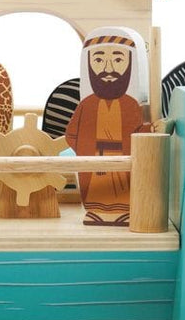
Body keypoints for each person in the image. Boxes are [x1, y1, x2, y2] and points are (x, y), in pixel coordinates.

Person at [65, 27, 152, 226]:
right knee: (97, 189)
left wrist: (149, 131)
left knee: (122, 188)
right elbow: (71, 134)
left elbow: (139, 132)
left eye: (119, 60)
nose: (108, 67)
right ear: (88, 64)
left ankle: (124, 210)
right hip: (94, 159)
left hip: (122, 159)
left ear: (131, 63)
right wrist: (86, 150)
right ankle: (94, 210)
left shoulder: (131, 104)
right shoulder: (86, 105)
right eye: (98, 60)